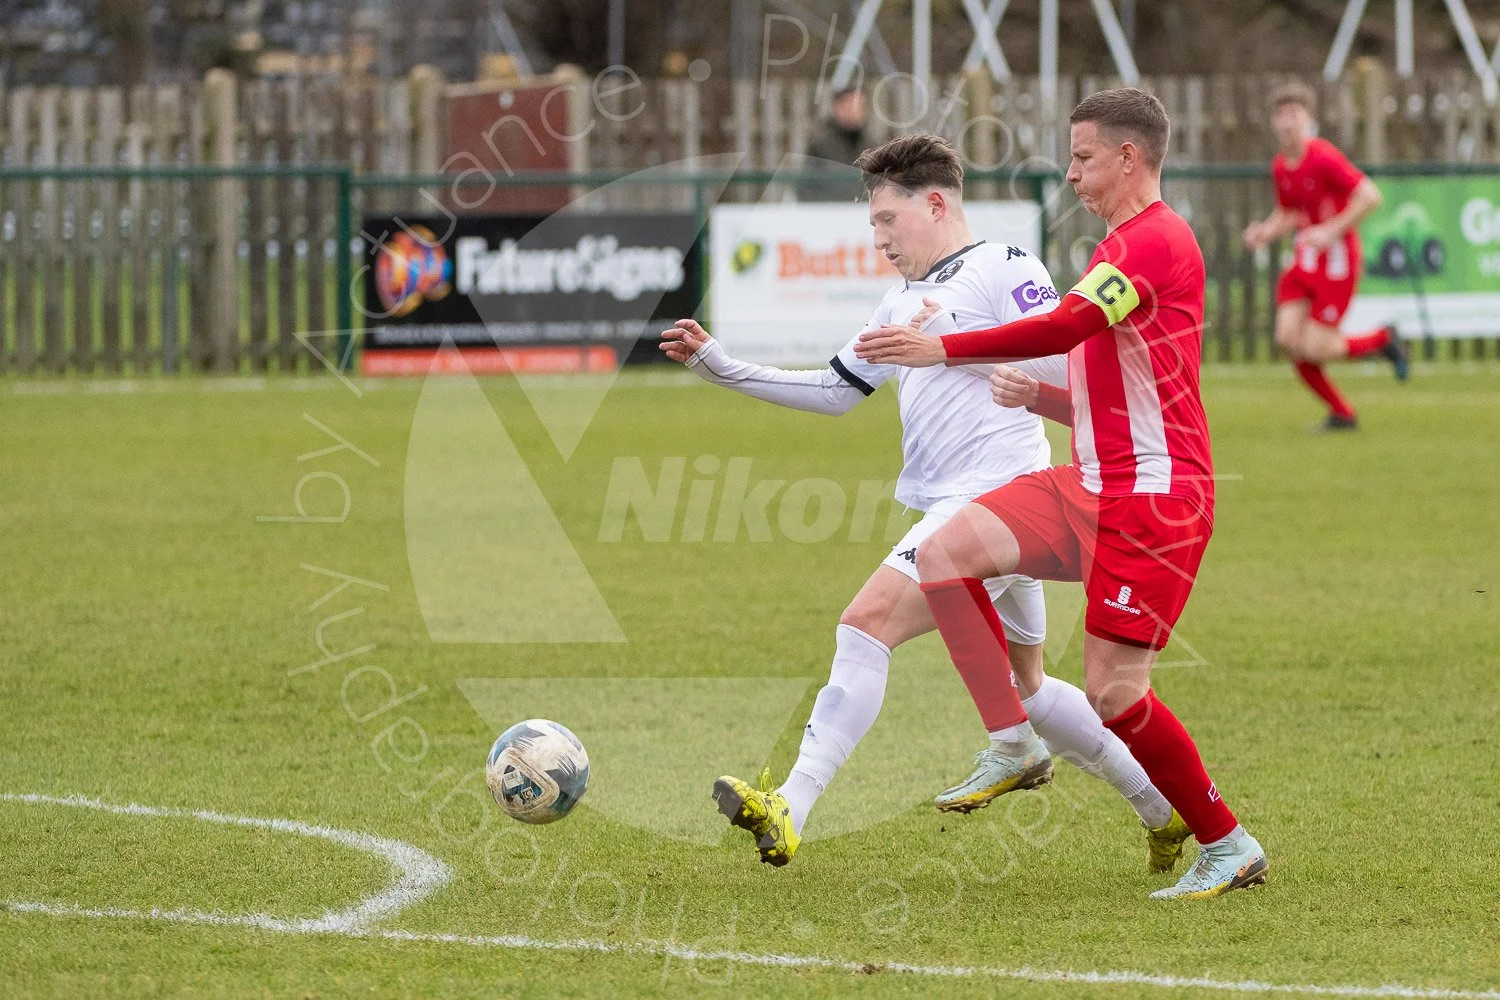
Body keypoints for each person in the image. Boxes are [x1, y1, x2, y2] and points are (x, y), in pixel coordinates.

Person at [662, 133, 1189, 872]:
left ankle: (792, 801)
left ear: (935, 203)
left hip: (1000, 501)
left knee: (865, 623)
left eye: (887, 221)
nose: (878, 240)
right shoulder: (899, 298)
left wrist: (987, 365)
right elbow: (837, 392)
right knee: (1030, 687)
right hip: (973, 507)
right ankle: (1162, 811)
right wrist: (723, 367)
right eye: (872, 226)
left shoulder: (1005, 267)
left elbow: (1077, 378)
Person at [853, 89, 1267, 900]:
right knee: (943, 552)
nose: (1070, 172)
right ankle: (1013, 741)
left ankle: (1227, 843)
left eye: (1082, 157)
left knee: (1116, 692)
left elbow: (1061, 329)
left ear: (1128, 158)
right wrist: (1039, 400)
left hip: (1154, 498)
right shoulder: (1122, 245)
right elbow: (1107, 376)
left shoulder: (1152, 243)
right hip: (1093, 484)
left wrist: (941, 349)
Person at [1243, 82, 1408, 432]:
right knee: (1288, 340)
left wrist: (1331, 230)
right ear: (1274, 122)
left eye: (1294, 114)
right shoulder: (1281, 166)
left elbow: (1370, 196)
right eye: (1281, 115)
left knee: (1315, 347)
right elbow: (1288, 212)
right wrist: (1264, 231)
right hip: (1305, 261)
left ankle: (1382, 339)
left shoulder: (1324, 157)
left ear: (1309, 118)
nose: (1287, 122)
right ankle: (1342, 414)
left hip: (1337, 263)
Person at [796, 86, 869, 202]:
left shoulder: (870, 144)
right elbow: (805, 188)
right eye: (850, 106)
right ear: (837, 107)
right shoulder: (820, 145)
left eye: (860, 107)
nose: (856, 112)